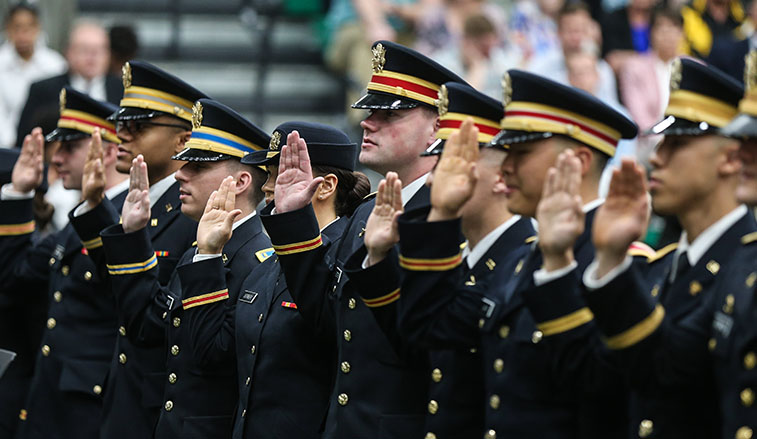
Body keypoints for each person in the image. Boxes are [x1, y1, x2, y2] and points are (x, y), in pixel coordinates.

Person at [404, 69, 641, 438]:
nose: (506, 166)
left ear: (578, 163)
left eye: (522, 152)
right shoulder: (519, 261)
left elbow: (610, 395)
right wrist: (442, 215)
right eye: (505, 151)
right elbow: (429, 327)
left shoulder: (620, 263)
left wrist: (559, 269)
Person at [259, 40, 465, 438]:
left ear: (438, 127)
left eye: (389, 113)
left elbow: (431, 349)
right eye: (370, 111)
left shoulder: (447, 215)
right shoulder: (368, 211)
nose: (368, 122)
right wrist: (293, 218)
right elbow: (325, 318)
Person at [559, 57, 750, 439]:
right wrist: (610, 258)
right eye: (660, 142)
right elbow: (605, 379)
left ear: (729, 158)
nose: (656, 157)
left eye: (677, 144)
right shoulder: (665, 267)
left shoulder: (742, 264)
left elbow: (669, 372)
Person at [355, 82, 536, 439]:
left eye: (451, 163)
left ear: (502, 177)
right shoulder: (467, 256)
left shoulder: (525, 260)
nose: (435, 177)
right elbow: (418, 347)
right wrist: (377, 258)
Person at [182, 121, 370, 439]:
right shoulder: (267, 265)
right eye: (268, 175)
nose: (267, 187)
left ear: (326, 186)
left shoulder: (347, 258)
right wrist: (208, 255)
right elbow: (211, 354)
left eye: (278, 174)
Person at [96, 98, 272, 438]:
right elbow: (150, 328)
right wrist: (132, 236)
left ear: (240, 182)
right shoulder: (199, 251)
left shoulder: (257, 260)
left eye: (199, 166)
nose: (181, 173)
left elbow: (214, 357)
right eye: (184, 163)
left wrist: (207, 257)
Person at [68, 60, 205, 439]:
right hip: (124, 395)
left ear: (182, 141)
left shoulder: (192, 212)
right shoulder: (152, 203)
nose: (121, 136)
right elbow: (116, 283)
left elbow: (151, 312)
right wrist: (96, 207)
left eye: (138, 127)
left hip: (157, 405)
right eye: (121, 125)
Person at [0, 88, 127, 439]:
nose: (56, 159)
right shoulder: (76, 224)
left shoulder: (131, 219)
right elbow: (15, 277)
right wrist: (19, 194)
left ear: (111, 151)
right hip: (50, 400)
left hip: (90, 409)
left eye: (70, 148)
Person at [16, 20, 122, 148]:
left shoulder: (123, 90)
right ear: (69, 52)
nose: (92, 56)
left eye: (99, 49)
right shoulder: (43, 90)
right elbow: (24, 141)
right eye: (84, 49)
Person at [618, 8, 685, 160]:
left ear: (682, 33)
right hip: (648, 144)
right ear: (651, 32)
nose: (667, 34)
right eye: (661, 27)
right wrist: (665, 140)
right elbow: (640, 118)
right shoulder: (634, 67)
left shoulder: (694, 67)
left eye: (673, 27)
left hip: (686, 142)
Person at [0, 2, 66, 148]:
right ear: (7, 29)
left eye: (28, 27)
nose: (22, 34)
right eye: (16, 27)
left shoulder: (55, 65)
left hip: (47, 143)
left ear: (38, 28)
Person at [528, 2, 619, 106]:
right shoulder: (540, 67)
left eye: (581, 30)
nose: (576, 38)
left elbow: (614, 111)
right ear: (559, 32)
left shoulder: (603, 70)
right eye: (570, 31)